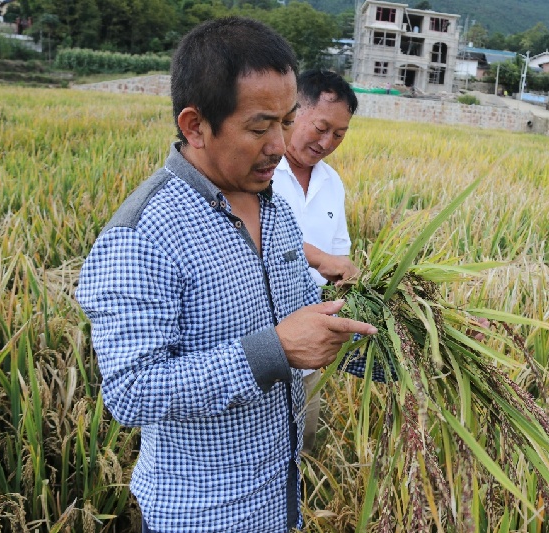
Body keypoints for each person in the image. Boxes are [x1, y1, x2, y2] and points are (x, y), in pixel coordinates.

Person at [75, 17, 377, 533]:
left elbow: (305, 311)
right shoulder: (143, 235)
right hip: (201, 516)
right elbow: (131, 390)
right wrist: (275, 350)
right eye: (261, 127)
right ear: (195, 126)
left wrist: (401, 337)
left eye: (286, 122)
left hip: (279, 502)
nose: (280, 145)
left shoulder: (275, 208)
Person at [273, 69, 360, 454]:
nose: (327, 142)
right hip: (261, 342)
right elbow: (253, 235)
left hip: (312, 354)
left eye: (339, 134)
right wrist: (321, 258)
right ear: (295, 112)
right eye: (321, 127)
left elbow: (339, 258)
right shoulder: (258, 174)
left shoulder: (332, 183)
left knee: (303, 450)